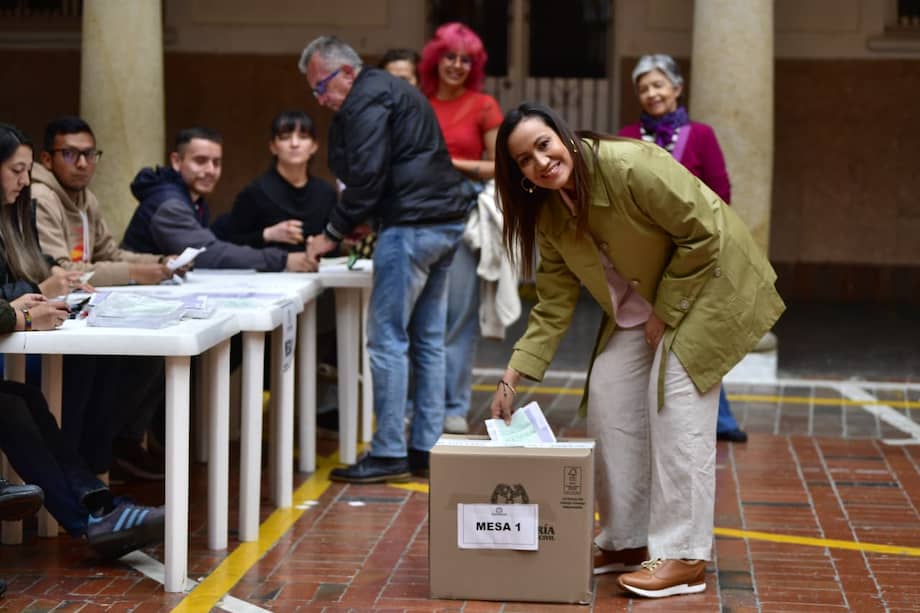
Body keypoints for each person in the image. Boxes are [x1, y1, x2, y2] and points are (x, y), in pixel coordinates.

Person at [490, 102, 784, 598]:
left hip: (711, 283)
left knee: (674, 402)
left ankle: (685, 555)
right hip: (647, 302)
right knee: (607, 391)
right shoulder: (550, 216)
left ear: (562, 134)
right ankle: (626, 539)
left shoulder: (628, 165)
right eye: (524, 160)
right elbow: (553, 305)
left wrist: (664, 312)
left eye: (543, 145)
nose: (539, 162)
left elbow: (703, 233)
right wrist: (511, 377)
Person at [299, 35, 469, 482]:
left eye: (323, 85)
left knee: (387, 340)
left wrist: (330, 234)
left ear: (348, 73)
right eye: (314, 90)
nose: (321, 98)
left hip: (411, 226)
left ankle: (390, 449)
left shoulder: (366, 97)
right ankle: (425, 449)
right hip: (446, 222)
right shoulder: (390, 91)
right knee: (428, 340)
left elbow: (368, 175)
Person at [31, 116, 173, 479]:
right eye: (70, 154)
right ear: (46, 159)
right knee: (99, 360)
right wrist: (136, 274)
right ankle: (84, 465)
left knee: (146, 353)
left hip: (80, 309)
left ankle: (108, 452)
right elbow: (65, 272)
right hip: (44, 317)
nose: (82, 163)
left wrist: (157, 263)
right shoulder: (39, 195)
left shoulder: (85, 198)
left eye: (89, 154)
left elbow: (110, 253)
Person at [618, 54, 747, 443]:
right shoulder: (625, 136)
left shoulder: (701, 136)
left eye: (658, 85)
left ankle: (717, 418)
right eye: (643, 88)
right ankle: (651, 414)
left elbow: (721, 192)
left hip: (692, 253)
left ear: (677, 88)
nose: (651, 93)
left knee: (695, 334)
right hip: (642, 256)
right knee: (644, 333)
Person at [419, 22, 519, 435]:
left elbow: (501, 165)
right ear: (434, 60)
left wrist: (448, 161)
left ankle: (454, 406)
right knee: (418, 320)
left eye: (466, 59)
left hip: (462, 220)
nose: (457, 65)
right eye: (450, 56)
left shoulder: (483, 105)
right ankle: (420, 405)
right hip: (418, 217)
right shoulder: (417, 102)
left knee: (456, 319)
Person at [121, 127, 314, 272]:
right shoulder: (170, 204)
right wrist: (282, 260)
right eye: (200, 161)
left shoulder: (192, 198)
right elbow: (208, 254)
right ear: (176, 161)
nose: (211, 171)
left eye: (216, 163)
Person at [213, 111, 338, 252]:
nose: (294, 144)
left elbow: (335, 243)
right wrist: (267, 235)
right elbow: (229, 243)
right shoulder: (255, 192)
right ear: (273, 146)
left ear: (314, 146)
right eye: (285, 137)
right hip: (268, 271)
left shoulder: (326, 193)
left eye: (303, 137)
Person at [0, 123, 86, 302]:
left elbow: (33, 255)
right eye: (17, 170)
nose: (25, 180)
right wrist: (40, 289)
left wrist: (53, 269)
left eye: (28, 170)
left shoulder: (18, 209)